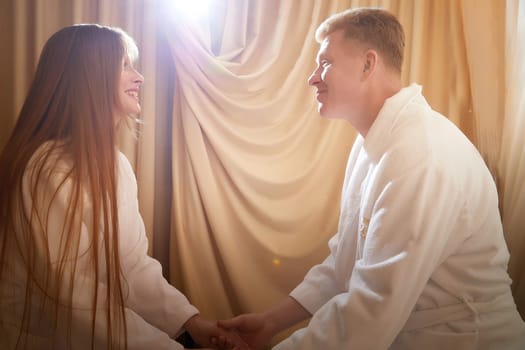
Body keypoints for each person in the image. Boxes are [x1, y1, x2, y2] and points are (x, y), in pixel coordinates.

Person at [218, 8, 525, 349]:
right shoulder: (371, 144)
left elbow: (372, 312)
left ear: (368, 64)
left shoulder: (420, 155)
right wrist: (270, 323)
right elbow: (344, 262)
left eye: (325, 62)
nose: (313, 77)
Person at [0, 24, 246, 350]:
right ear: (89, 77)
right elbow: (74, 296)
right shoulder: (46, 169)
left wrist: (192, 324)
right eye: (125, 65)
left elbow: (132, 265)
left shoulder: (117, 166)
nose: (140, 77)